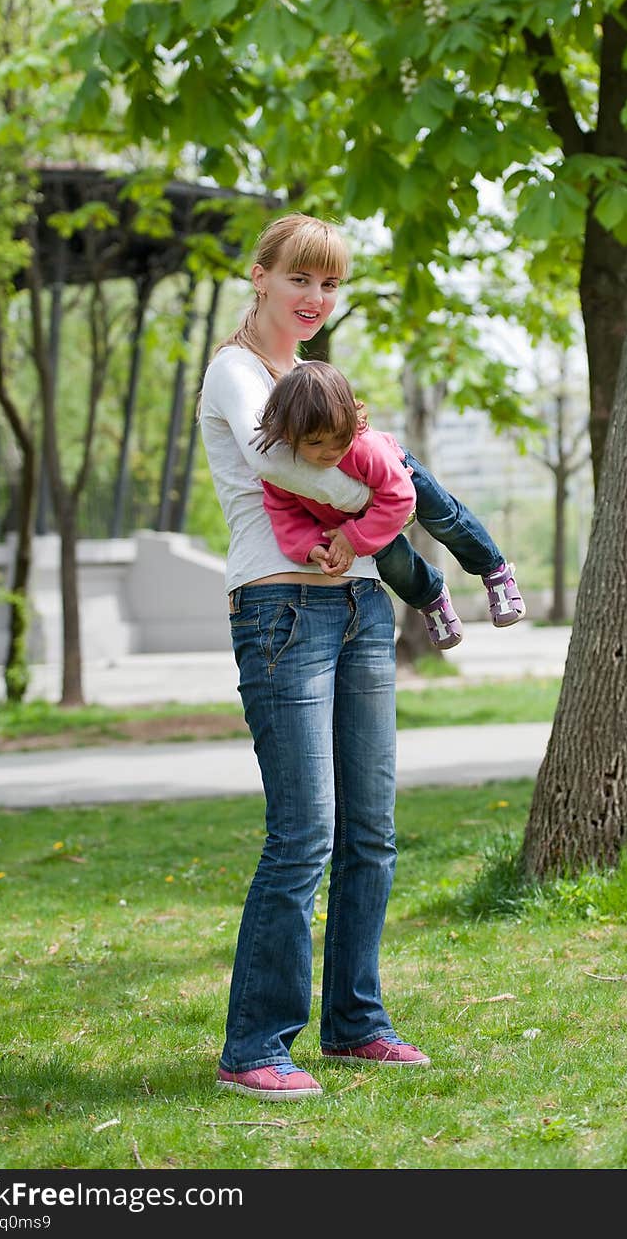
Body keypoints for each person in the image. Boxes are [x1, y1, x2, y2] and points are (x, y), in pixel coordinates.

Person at [198, 212, 430, 1101]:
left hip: (362, 605)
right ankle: (253, 1045)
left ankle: (356, 1025)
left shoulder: (309, 376)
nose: (316, 300)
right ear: (259, 276)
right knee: (304, 837)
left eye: (330, 285)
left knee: (370, 833)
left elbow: (352, 472)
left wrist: (385, 500)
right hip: (282, 609)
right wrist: (402, 490)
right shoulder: (234, 373)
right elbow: (294, 469)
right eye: (301, 279)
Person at [253, 360, 526, 650]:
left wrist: (353, 537)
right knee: (392, 562)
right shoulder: (282, 470)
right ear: (288, 435)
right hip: (356, 515)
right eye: (315, 442)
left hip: (399, 481)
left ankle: (494, 570)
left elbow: (401, 498)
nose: (330, 451)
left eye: (339, 437)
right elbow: (284, 514)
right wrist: (309, 546)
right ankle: (430, 595)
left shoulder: (365, 447)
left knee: (446, 521)